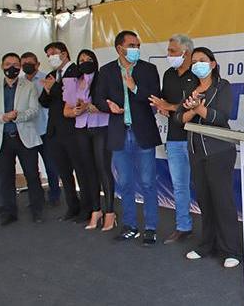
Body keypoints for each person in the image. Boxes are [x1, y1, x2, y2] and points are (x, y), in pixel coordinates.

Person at [175, 47, 242, 268]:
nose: (197, 65)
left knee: (223, 201)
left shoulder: (222, 87)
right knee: (204, 200)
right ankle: (206, 245)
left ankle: (230, 249)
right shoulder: (189, 88)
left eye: (202, 61)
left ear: (213, 64)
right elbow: (179, 118)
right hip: (195, 151)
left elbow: (222, 117)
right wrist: (193, 110)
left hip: (219, 151)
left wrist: (199, 109)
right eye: (194, 61)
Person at [94, 30, 162, 246]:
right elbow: (97, 97)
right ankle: (130, 225)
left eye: (137, 45)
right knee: (124, 183)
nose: (135, 49)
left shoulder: (148, 69)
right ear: (119, 48)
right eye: (131, 45)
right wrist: (108, 106)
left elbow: (154, 99)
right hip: (119, 133)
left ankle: (150, 228)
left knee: (148, 182)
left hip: (143, 132)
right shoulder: (105, 71)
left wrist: (134, 88)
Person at [148, 34, 195, 244]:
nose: (169, 55)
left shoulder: (200, 74)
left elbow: (197, 106)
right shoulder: (168, 74)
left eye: (173, 52)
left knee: (204, 185)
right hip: (175, 137)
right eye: (168, 51)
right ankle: (183, 226)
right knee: (179, 186)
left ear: (186, 52)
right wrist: (161, 106)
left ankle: (213, 231)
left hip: (198, 138)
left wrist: (170, 107)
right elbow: (165, 102)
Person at [62, 49, 116, 231]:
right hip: (81, 129)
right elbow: (67, 109)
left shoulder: (103, 78)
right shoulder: (75, 81)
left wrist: (90, 107)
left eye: (89, 59)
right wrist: (76, 111)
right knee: (88, 170)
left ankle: (110, 212)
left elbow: (111, 106)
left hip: (101, 127)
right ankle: (96, 210)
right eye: (81, 60)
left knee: (103, 169)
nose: (85, 62)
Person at [39, 42, 91, 222]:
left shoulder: (77, 72)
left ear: (64, 53)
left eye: (53, 53)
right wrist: (48, 90)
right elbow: (44, 102)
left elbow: (73, 100)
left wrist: (53, 89)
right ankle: (72, 206)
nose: (50, 57)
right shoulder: (51, 75)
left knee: (80, 170)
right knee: (64, 172)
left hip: (73, 129)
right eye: (47, 55)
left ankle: (87, 208)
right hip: (54, 131)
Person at [0, 52, 44, 224]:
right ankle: (8, 212)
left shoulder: (28, 85)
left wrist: (17, 116)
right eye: (8, 64)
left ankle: (37, 210)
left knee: (32, 174)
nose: (12, 68)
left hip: (24, 137)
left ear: (20, 67)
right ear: (2, 66)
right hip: (2, 139)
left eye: (16, 65)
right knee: (5, 177)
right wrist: (3, 117)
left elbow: (34, 110)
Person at [21, 52, 61, 206]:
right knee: (31, 168)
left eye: (30, 63)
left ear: (37, 64)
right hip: (28, 131)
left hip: (44, 129)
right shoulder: (20, 83)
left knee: (51, 165)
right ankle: (36, 197)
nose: (26, 66)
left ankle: (54, 195)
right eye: (24, 64)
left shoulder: (47, 79)